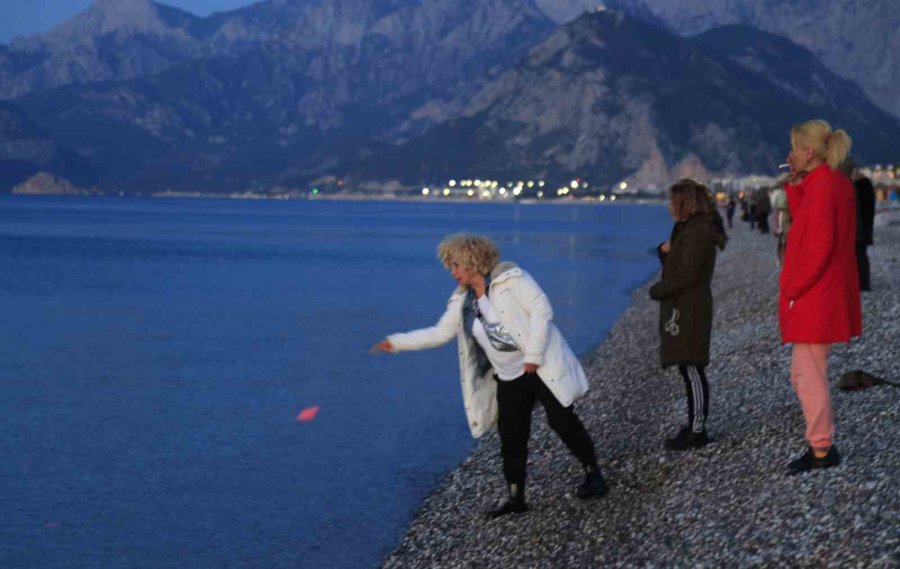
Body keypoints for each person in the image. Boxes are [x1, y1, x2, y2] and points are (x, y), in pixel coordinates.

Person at [371, 234, 606, 518]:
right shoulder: (463, 301)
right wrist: (395, 342)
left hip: (539, 366)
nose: (452, 271)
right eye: (451, 266)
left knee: (562, 421)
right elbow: (440, 332)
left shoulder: (511, 280)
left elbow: (542, 311)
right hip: (507, 376)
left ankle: (593, 474)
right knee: (511, 436)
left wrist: (532, 356)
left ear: (472, 261)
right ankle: (516, 497)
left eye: (456, 264)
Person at [780, 119, 861, 474]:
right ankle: (821, 443)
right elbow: (808, 220)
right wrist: (796, 185)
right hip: (823, 291)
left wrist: (793, 287)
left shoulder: (825, 185)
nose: (791, 155)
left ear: (808, 151)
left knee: (808, 373)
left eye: (795, 149)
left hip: (817, 293)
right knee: (804, 372)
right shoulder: (826, 182)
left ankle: (822, 449)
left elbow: (819, 245)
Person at [649, 180, 727, 450]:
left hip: (690, 307)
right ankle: (694, 425)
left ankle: (698, 430)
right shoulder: (688, 229)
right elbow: (678, 267)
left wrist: (658, 290)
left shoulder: (696, 232)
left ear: (684, 203)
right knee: (687, 366)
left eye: (673, 202)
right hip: (686, 305)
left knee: (692, 366)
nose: (669, 207)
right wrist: (665, 252)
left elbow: (688, 275)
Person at [853, 170, 876, 291]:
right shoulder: (867, 189)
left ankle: (862, 283)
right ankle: (864, 283)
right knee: (862, 254)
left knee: (859, 255)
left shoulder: (858, 189)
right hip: (866, 226)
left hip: (859, 228)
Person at [770, 184, 790, 267]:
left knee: (783, 245)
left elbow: (775, 216)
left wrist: (776, 228)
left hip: (785, 227)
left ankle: (783, 262)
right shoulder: (783, 196)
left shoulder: (779, 197)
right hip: (786, 227)